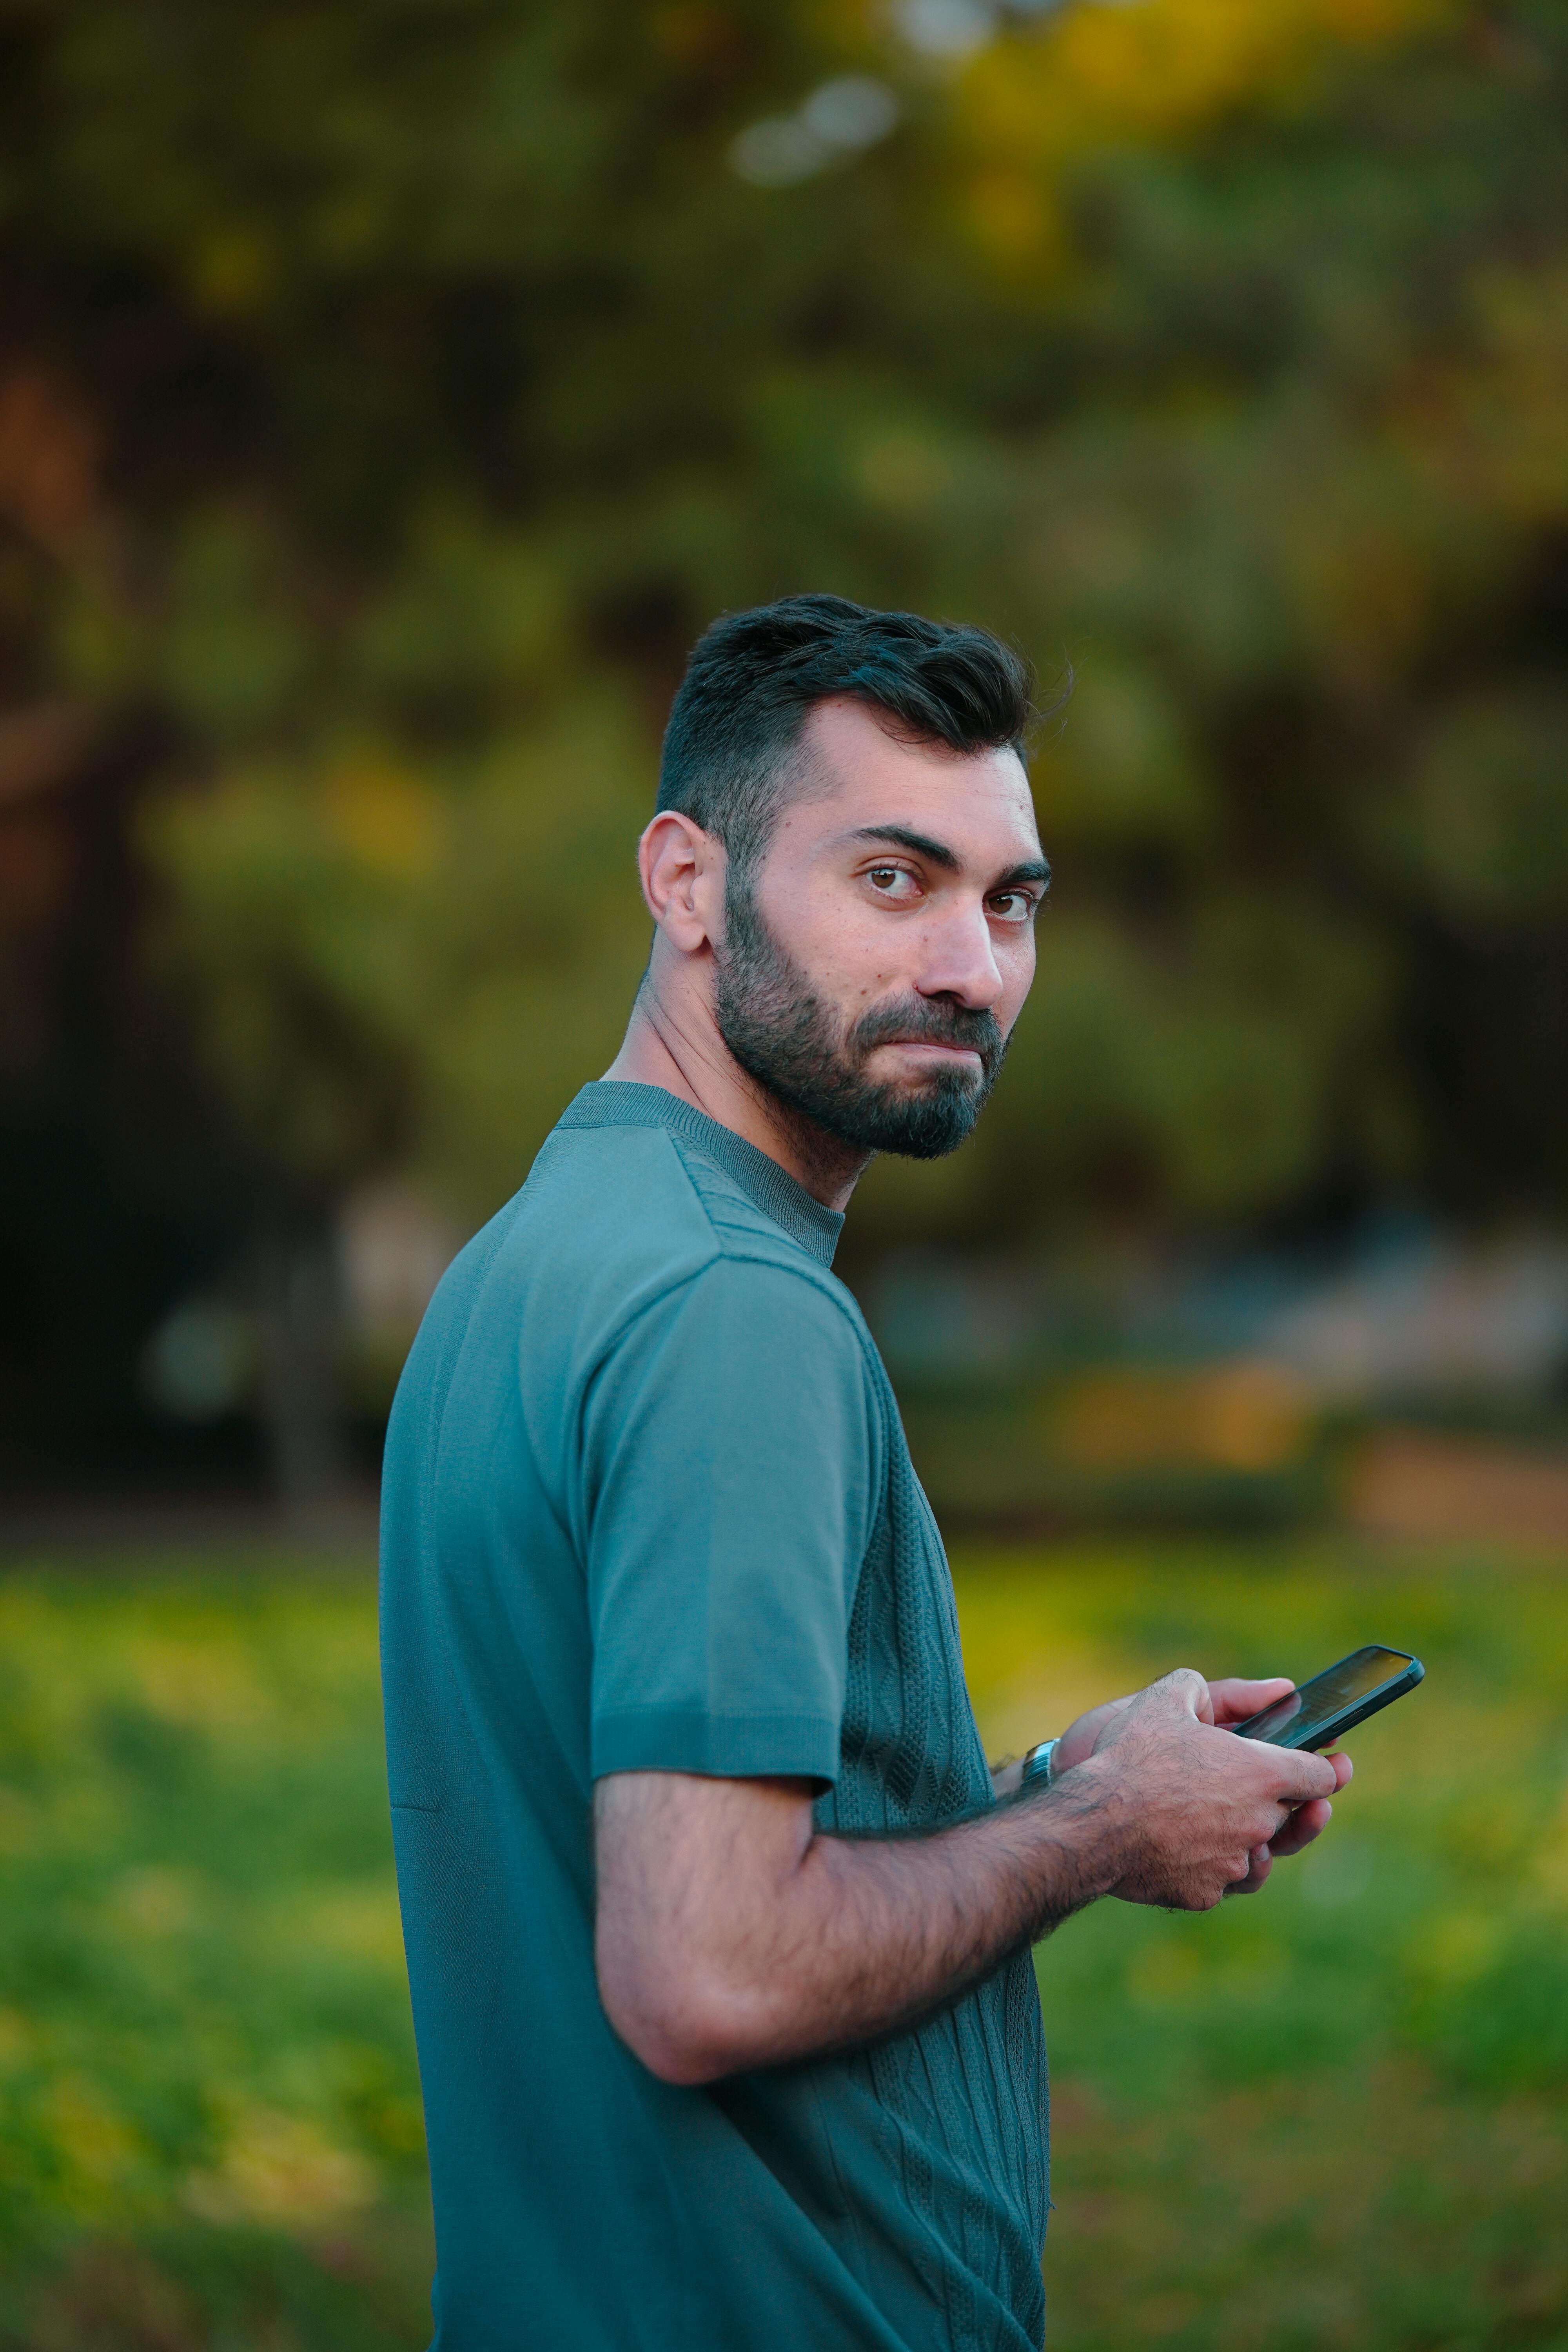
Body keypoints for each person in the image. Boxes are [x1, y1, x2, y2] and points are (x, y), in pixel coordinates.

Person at [378, 593, 1349, 2352]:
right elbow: (708, 1967)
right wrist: (1099, 1832)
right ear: (686, 884)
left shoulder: (541, 1251)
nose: (971, 969)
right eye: (891, 880)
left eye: (1009, 900)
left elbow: (680, 1837)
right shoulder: (733, 1315)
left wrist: (1058, 1776)